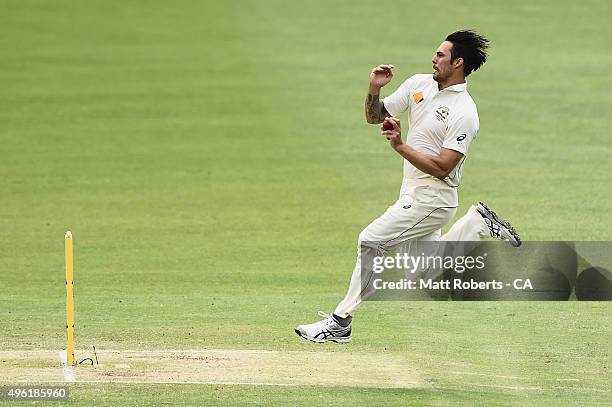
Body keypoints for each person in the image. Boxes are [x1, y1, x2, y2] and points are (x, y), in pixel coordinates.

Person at [295, 30, 520, 344]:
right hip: (413, 191)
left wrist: (400, 146)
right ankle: (475, 223)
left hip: (433, 197)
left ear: (458, 63)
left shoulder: (465, 112)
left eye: (441, 55)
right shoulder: (419, 84)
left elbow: (443, 167)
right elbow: (375, 116)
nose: (433, 58)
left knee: (371, 240)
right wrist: (374, 88)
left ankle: (340, 322)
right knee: (422, 276)